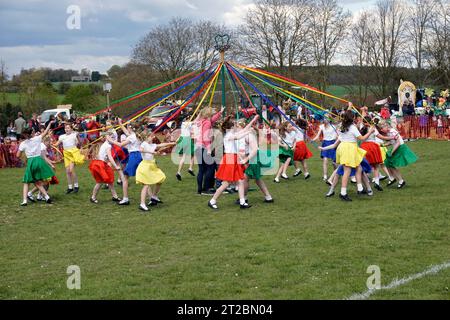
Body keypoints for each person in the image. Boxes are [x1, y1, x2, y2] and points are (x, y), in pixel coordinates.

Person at [207, 115, 258, 210]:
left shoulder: (230, 134)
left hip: (232, 158)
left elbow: (243, 131)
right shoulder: (229, 135)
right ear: (231, 127)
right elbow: (240, 136)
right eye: (234, 125)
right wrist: (248, 130)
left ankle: (242, 202)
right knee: (226, 183)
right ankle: (212, 200)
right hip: (230, 159)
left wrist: (253, 121)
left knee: (240, 181)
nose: (236, 127)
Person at [332, 109, 373, 201]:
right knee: (347, 171)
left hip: (345, 147)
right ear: (353, 118)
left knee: (359, 167)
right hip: (349, 148)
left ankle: (360, 188)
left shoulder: (342, 126)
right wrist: (370, 132)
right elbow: (362, 138)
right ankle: (343, 193)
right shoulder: (352, 127)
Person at [16, 121, 55, 206]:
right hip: (39, 161)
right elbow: (45, 132)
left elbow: (17, 155)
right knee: (37, 182)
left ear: (24, 134)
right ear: (31, 133)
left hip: (31, 162)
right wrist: (49, 124)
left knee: (26, 182)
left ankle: (24, 201)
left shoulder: (23, 143)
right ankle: (47, 197)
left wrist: (24, 159)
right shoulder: (37, 138)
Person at [136, 132, 175, 212]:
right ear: (147, 137)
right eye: (151, 136)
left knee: (161, 178)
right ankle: (142, 204)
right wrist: (152, 152)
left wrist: (172, 143)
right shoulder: (144, 144)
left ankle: (154, 196)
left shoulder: (152, 145)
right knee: (146, 185)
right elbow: (141, 150)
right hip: (145, 166)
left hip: (152, 166)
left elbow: (162, 145)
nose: (153, 137)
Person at [107, 119, 142, 205]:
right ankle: (152, 197)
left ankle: (125, 199)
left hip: (134, 156)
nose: (127, 129)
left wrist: (110, 140)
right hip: (140, 156)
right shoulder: (137, 135)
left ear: (130, 128)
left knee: (125, 178)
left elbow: (121, 145)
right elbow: (127, 133)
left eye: (127, 127)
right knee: (144, 177)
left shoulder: (131, 137)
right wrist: (120, 124)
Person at [194, 106, 224, 195]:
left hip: (197, 147)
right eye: (212, 112)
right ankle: (206, 188)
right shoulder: (207, 123)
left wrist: (220, 112)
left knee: (201, 169)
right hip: (204, 147)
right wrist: (208, 149)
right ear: (208, 114)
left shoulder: (199, 122)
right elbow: (205, 136)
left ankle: (200, 190)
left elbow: (212, 120)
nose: (213, 112)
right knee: (210, 168)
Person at [380, 121, 418, 188]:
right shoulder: (388, 132)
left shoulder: (392, 132)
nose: (381, 130)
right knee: (387, 162)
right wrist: (383, 145)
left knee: (390, 164)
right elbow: (391, 142)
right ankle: (392, 178)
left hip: (400, 148)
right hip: (396, 147)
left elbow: (397, 143)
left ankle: (400, 181)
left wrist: (392, 152)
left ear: (386, 127)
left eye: (382, 128)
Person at [88, 132, 122, 204]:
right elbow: (110, 157)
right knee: (100, 182)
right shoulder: (108, 146)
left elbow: (105, 157)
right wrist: (116, 166)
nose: (113, 139)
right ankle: (93, 197)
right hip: (100, 165)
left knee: (109, 181)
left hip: (98, 164)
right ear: (107, 137)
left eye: (113, 137)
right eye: (111, 137)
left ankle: (114, 196)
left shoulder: (106, 144)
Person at [54, 123, 85, 193]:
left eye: (68, 128)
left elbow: (80, 142)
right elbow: (56, 144)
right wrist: (50, 143)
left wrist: (80, 145)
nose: (66, 129)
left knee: (71, 170)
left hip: (73, 153)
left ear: (71, 129)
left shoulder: (74, 135)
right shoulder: (62, 137)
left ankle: (76, 186)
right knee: (67, 171)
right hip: (66, 154)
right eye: (65, 128)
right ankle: (70, 187)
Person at [312, 117, 338, 182]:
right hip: (325, 143)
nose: (325, 120)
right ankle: (325, 175)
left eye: (327, 119)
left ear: (329, 120)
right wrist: (313, 140)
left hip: (332, 143)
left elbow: (338, 135)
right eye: (324, 119)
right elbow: (318, 136)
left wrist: (336, 138)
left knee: (334, 162)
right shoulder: (322, 127)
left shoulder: (334, 126)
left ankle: (336, 174)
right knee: (325, 160)